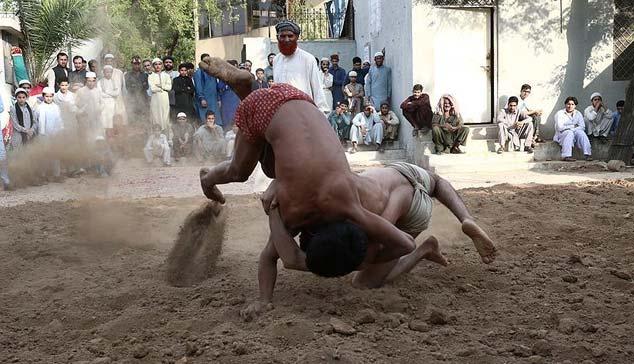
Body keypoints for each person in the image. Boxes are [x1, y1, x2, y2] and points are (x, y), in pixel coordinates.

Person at [197, 58, 429, 280]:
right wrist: (360, 264)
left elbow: (406, 243)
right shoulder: (291, 213)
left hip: (299, 99)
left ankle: (247, 90)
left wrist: (364, 261)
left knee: (271, 169)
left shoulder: (347, 205)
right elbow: (285, 259)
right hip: (272, 112)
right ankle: (208, 179)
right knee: (239, 172)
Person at [243, 162, 496, 316]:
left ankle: (424, 249)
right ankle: (463, 218)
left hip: (407, 201)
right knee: (438, 183)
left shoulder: (367, 234)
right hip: (387, 174)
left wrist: (276, 193)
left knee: (365, 281)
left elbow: (403, 241)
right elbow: (286, 258)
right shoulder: (305, 209)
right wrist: (274, 206)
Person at [271, 20, 328, 113]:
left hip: (304, 112)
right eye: (282, 36)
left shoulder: (308, 59)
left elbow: (317, 89)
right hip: (282, 113)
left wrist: (321, 114)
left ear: (297, 37)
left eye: (290, 36)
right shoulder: (276, 60)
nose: (286, 40)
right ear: (277, 37)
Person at [38, 87, 65, 182]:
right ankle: (43, 175)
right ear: (43, 96)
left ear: (53, 96)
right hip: (44, 135)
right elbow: (41, 122)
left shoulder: (56, 107)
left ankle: (56, 175)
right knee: (44, 156)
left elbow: (59, 120)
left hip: (55, 135)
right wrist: (42, 134)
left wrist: (59, 131)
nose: (48, 98)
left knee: (55, 155)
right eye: (46, 96)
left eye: (50, 96)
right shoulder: (41, 107)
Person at [553, 96, 592, 162]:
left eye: (572, 104)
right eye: (568, 104)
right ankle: (566, 156)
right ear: (565, 104)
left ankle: (588, 154)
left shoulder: (578, 113)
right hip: (562, 133)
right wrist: (573, 126)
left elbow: (582, 127)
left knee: (581, 133)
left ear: (575, 105)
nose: (570, 106)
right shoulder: (560, 113)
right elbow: (560, 127)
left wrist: (571, 128)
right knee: (569, 133)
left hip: (574, 131)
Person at [193, 53, 221, 125]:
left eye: (209, 60)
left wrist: (218, 99)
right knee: (205, 121)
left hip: (213, 101)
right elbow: (198, 87)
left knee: (215, 121)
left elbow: (216, 87)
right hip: (205, 100)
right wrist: (201, 98)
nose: (207, 62)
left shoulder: (212, 72)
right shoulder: (198, 72)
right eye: (205, 61)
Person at [75, 72, 103, 140]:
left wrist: (99, 109)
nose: (91, 83)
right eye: (89, 81)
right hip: (84, 119)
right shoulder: (80, 91)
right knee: (86, 137)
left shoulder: (98, 91)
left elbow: (102, 103)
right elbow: (77, 104)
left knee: (96, 135)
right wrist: (82, 111)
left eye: (93, 81)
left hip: (96, 118)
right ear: (86, 80)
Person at [102, 54, 128, 125]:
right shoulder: (102, 73)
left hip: (119, 99)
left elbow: (123, 87)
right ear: (105, 62)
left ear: (113, 62)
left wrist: (125, 99)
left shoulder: (119, 72)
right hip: (107, 100)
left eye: (111, 61)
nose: (109, 63)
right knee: (109, 119)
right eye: (107, 61)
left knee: (120, 118)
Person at [149, 58, 172, 132]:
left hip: (164, 98)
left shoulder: (166, 75)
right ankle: (156, 134)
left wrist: (161, 86)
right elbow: (152, 88)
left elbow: (169, 88)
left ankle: (166, 135)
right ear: (153, 66)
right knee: (156, 116)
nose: (158, 66)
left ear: (162, 65)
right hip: (155, 99)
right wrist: (162, 89)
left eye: (159, 64)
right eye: (156, 64)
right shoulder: (151, 76)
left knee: (165, 115)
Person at [125, 56, 150, 121]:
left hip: (143, 100)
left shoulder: (145, 75)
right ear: (132, 64)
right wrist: (141, 85)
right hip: (132, 101)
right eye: (135, 64)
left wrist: (135, 85)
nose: (136, 66)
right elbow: (128, 87)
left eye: (138, 64)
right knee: (133, 120)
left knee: (144, 120)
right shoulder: (127, 75)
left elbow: (147, 86)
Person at [99, 65, 120, 135]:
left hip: (112, 103)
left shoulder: (115, 81)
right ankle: (104, 136)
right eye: (106, 72)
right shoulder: (100, 82)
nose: (108, 73)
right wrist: (111, 94)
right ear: (104, 73)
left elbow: (117, 93)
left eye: (110, 72)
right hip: (104, 103)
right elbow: (100, 94)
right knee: (104, 120)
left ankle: (112, 136)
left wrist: (107, 92)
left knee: (112, 120)